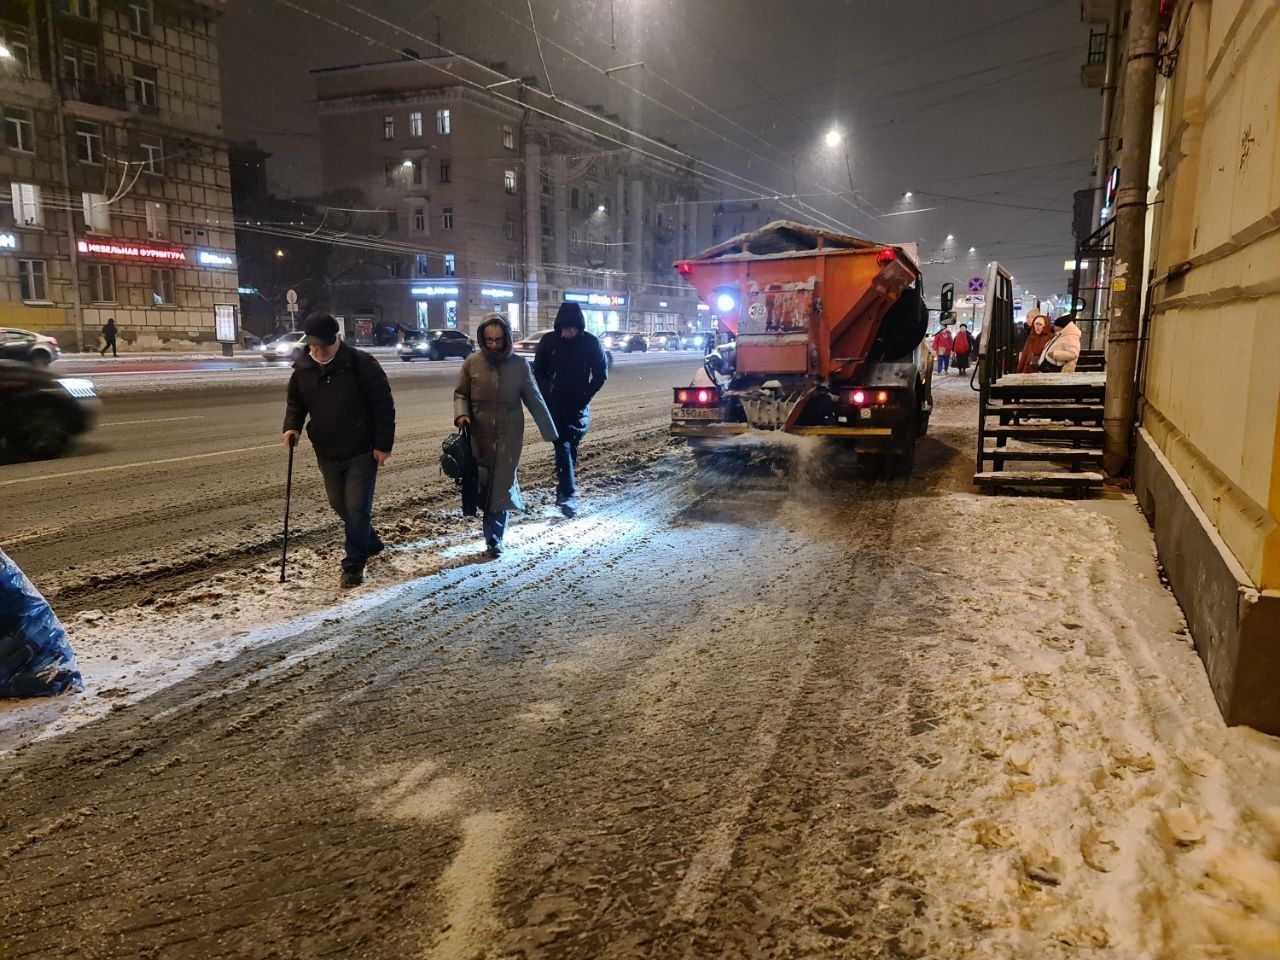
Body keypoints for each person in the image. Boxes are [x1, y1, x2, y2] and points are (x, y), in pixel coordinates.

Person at [282, 313, 395, 588]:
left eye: (325, 345)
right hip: (327, 451)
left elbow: (384, 406)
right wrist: (292, 427)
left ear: (337, 340)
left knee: (356, 509)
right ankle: (369, 540)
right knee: (339, 504)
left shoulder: (361, 364)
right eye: (314, 345)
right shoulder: (303, 369)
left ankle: (354, 565)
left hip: (361, 450)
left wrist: (382, 446)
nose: (319, 351)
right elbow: (296, 403)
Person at [454, 314, 558, 558]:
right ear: (482, 338)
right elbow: (461, 394)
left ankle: (494, 539)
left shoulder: (519, 366)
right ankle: (490, 527)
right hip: (478, 436)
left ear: (507, 339)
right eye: (488, 340)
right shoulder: (471, 364)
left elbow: (535, 399)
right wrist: (462, 415)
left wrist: (551, 433)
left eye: (498, 340)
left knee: (500, 486)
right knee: (482, 484)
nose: (493, 345)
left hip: (509, 437)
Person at [532, 302, 609, 518]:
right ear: (559, 326)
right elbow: (538, 369)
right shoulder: (549, 342)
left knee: (570, 445)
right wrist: (548, 390)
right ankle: (568, 494)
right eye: (565, 328)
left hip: (577, 406)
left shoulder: (590, 343)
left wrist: (584, 396)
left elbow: (600, 374)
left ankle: (564, 487)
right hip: (554, 405)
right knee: (562, 444)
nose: (568, 333)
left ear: (579, 326)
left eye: (573, 328)